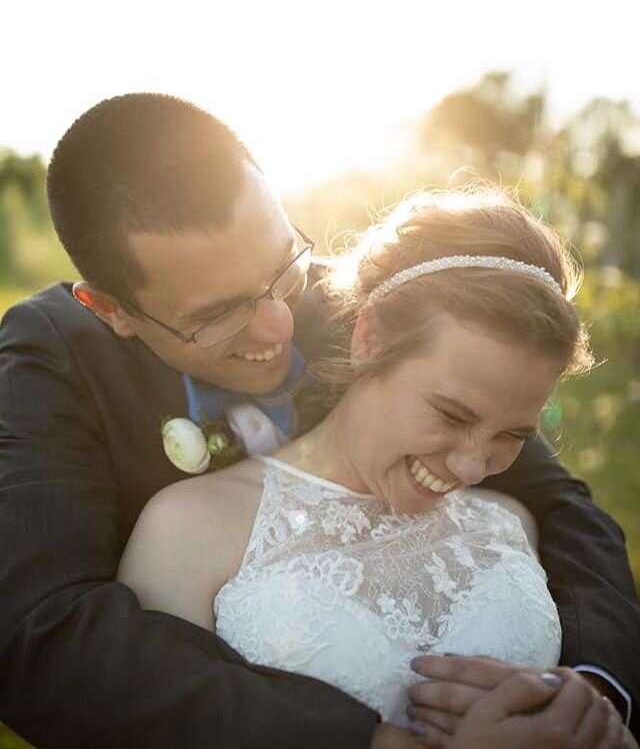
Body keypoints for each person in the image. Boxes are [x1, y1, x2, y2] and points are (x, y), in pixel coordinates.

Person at [0, 93, 637, 749]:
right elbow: (36, 636)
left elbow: (561, 507)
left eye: (282, 265)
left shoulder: (366, 301)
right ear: (112, 310)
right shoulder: (57, 355)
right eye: (218, 313)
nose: (280, 324)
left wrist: (593, 688)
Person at [116, 187, 631, 747]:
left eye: (512, 435)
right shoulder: (191, 528)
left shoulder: (512, 523)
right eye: (452, 414)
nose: (472, 466)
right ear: (369, 339)